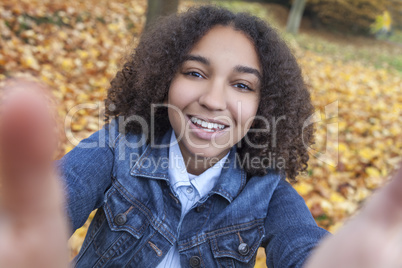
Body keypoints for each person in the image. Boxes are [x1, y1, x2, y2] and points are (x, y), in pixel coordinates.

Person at [0, 5, 401, 268]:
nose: (212, 100)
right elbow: (56, 198)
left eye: (242, 86)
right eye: (194, 73)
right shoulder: (118, 145)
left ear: (266, 105)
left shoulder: (267, 192)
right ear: (164, 80)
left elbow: (300, 244)